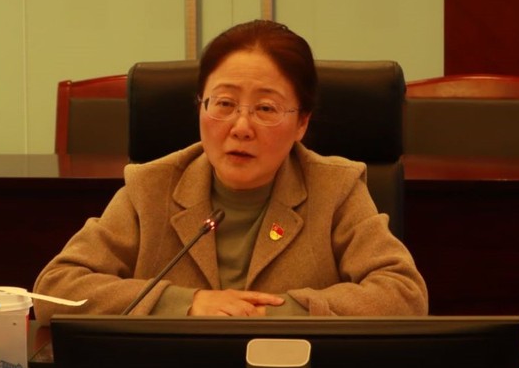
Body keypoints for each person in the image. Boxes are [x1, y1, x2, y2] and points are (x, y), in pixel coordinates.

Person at [33, 20, 428, 325]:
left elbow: (404, 295)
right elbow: (55, 290)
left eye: (266, 109)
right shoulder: (152, 185)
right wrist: (186, 303)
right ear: (200, 107)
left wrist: (275, 313)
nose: (241, 127)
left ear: (301, 123)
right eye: (223, 103)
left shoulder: (334, 187)